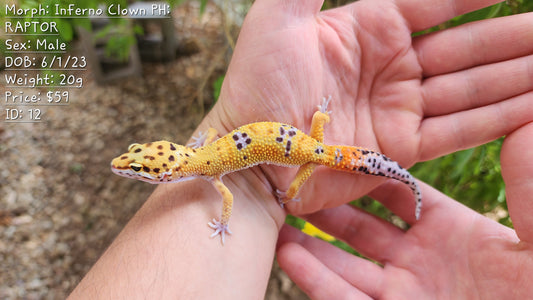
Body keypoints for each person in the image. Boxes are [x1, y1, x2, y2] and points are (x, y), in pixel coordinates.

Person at [69, 0, 533, 298]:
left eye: (139, 165)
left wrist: (227, 222)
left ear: (167, 167)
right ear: (168, 163)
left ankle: (396, 175)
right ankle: (389, 169)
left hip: (308, 152)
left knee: (314, 162)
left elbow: (227, 196)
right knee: (317, 153)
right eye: (139, 166)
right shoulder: (207, 159)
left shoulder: (212, 171)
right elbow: (214, 154)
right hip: (309, 141)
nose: (132, 167)